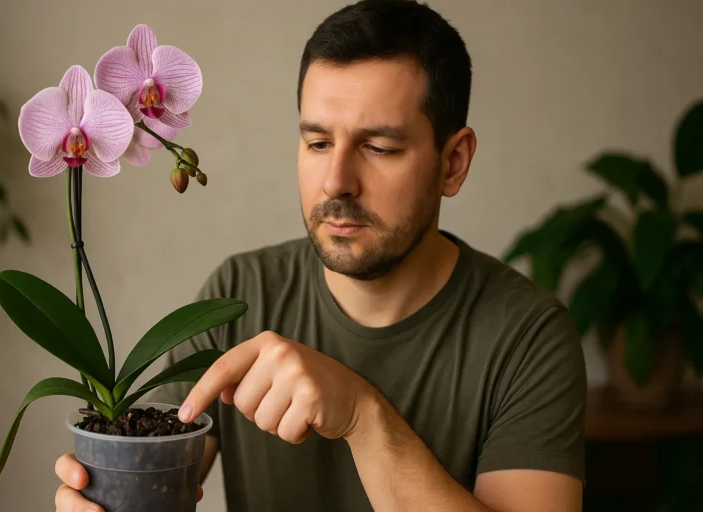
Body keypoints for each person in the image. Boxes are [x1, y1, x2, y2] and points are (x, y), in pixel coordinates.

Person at [54, 1, 586, 510]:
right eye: (317, 143)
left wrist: (361, 414)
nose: (337, 181)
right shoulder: (240, 295)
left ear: (453, 163)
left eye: (378, 148)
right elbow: (156, 485)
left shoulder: (528, 336)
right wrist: (102, 493)